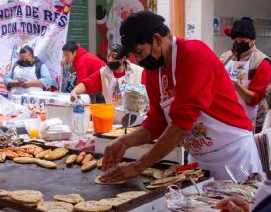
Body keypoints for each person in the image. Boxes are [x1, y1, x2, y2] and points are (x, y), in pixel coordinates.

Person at [99, 11, 262, 183]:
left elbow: (181, 125)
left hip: (233, 157)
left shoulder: (195, 56)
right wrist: (123, 142)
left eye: (139, 52)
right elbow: (157, 122)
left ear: (157, 39)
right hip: (198, 161)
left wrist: (138, 165)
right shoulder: (153, 71)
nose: (138, 60)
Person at [220, 17, 271, 133]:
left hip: (253, 117)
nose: (238, 44)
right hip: (229, 114)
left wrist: (236, 86)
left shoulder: (262, 62)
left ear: (253, 40)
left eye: (243, 42)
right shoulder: (226, 57)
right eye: (235, 42)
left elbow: (254, 99)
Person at [70, 44, 144, 105]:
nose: (110, 60)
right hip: (112, 117)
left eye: (114, 57)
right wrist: (74, 91)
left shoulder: (139, 72)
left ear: (123, 58)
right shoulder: (103, 73)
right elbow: (87, 84)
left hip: (135, 119)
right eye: (108, 56)